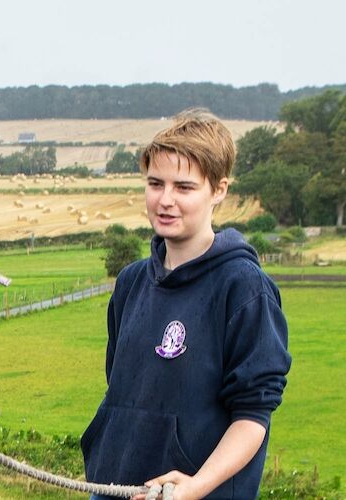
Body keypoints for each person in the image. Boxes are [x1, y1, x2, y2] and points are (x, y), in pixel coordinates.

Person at [81, 109, 291, 499]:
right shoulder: (130, 282)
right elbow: (120, 389)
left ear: (219, 190)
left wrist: (196, 486)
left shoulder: (244, 288)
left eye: (184, 187)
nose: (165, 200)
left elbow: (252, 417)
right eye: (155, 183)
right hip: (114, 489)